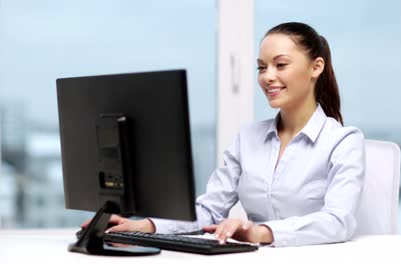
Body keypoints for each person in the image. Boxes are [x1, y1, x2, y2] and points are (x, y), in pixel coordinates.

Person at [82, 22, 365, 247]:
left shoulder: (343, 141)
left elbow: (338, 221)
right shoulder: (248, 138)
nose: (267, 76)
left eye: (280, 65)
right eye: (261, 67)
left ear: (316, 67)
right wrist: (145, 226)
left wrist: (260, 232)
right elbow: (210, 211)